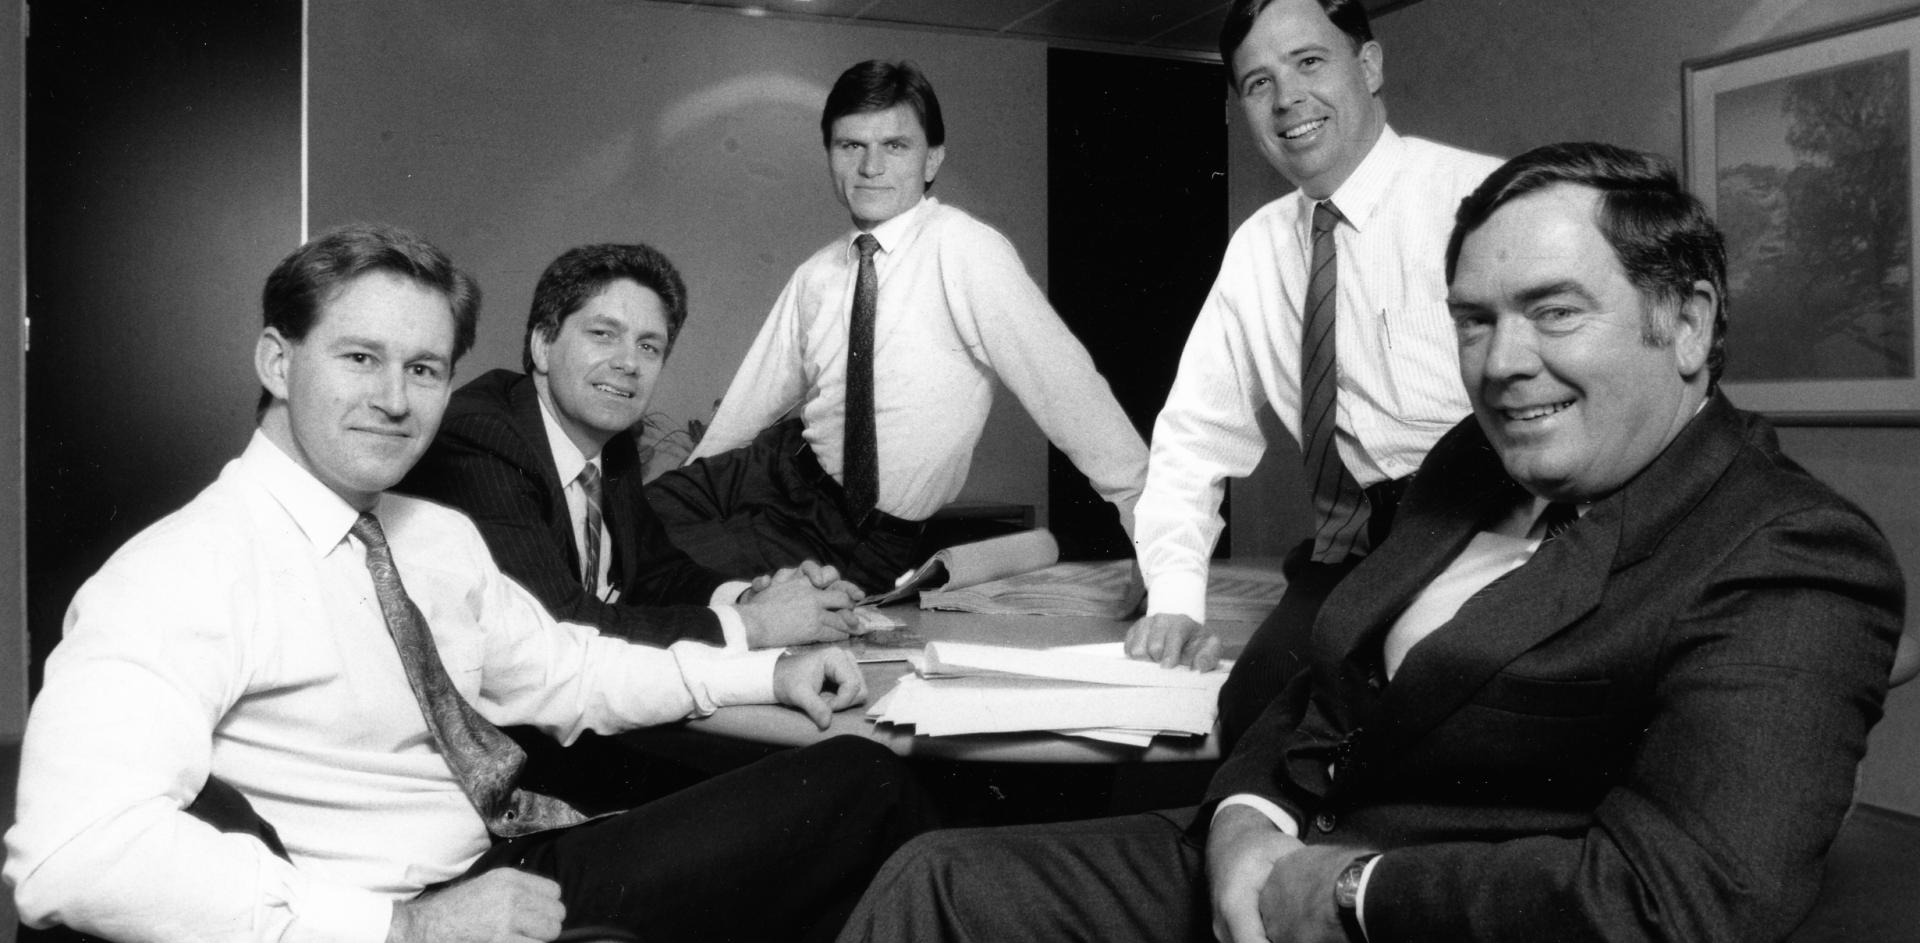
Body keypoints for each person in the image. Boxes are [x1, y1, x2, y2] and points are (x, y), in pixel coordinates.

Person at [834, 142, 1904, 943]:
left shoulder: (1789, 552)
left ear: (1692, 323)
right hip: (1271, 860)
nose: (1501, 362)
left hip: (1426, 916)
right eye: (1475, 319)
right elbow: (1327, 685)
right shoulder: (1465, 463)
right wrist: (1250, 820)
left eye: (1553, 311)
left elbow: (1683, 900)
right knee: (933, 881)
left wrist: (1347, 891)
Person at [5, 224, 929, 943]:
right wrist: (400, 927)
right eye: (359, 357)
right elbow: (70, 852)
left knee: (855, 777)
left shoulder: (433, 535)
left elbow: (569, 670)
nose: (395, 399)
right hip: (395, 909)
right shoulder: (183, 569)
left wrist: (765, 674)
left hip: (510, 860)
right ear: (277, 362)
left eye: (425, 368)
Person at [1122, 0, 1502, 749]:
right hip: (1351, 555)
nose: (1288, 98)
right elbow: (1193, 436)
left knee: (1445, 732)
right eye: (1259, 83)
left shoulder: (1484, 202)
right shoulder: (1258, 250)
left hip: (1489, 537)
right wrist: (1174, 597)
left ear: (1368, 65)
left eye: (1308, 62)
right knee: (1258, 714)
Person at [646, 59, 1148, 592]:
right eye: (851, 146)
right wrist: (690, 485)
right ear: (830, 157)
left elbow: (1067, 389)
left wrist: (1153, 531)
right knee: (617, 528)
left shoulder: (964, 249)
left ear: (932, 160)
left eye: (895, 145)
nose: (871, 166)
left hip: (855, 535)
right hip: (767, 471)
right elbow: (750, 404)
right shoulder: (816, 274)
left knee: (656, 580)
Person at [401, 243, 862, 652]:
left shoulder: (611, 443)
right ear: (542, 345)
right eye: (603, 334)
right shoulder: (482, 438)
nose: (628, 363)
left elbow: (658, 573)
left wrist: (752, 596)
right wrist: (752, 625)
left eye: (649, 346)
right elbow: (558, 629)